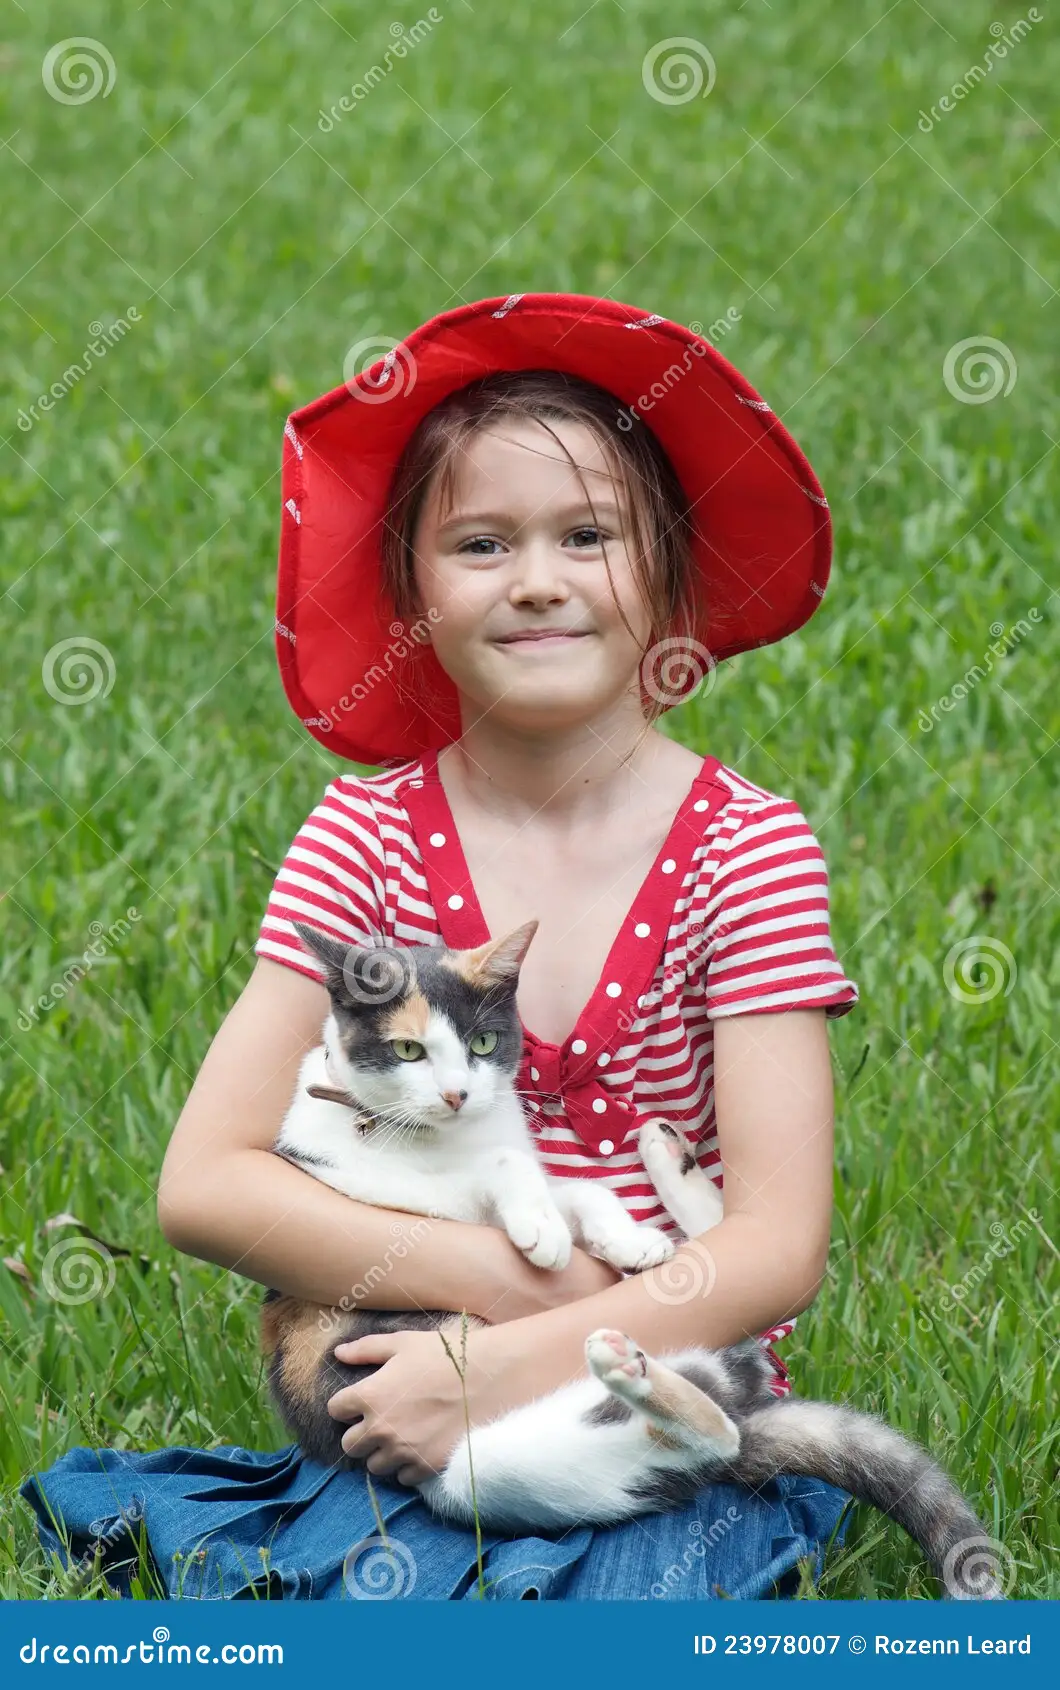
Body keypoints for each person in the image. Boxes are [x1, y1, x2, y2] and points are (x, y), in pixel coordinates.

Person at [21, 292, 859, 1600]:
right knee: (372, 1597)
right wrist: (480, 1306)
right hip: (402, 1399)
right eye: (480, 541)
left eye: (590, 534)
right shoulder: (364, 838)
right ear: (411, 586)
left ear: (669, 570)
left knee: (608, 1615)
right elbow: (207, 1182)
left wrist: (511, 1355)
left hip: (651, 1410)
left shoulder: (746, 850)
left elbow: (774, 1244)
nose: (537, 578)